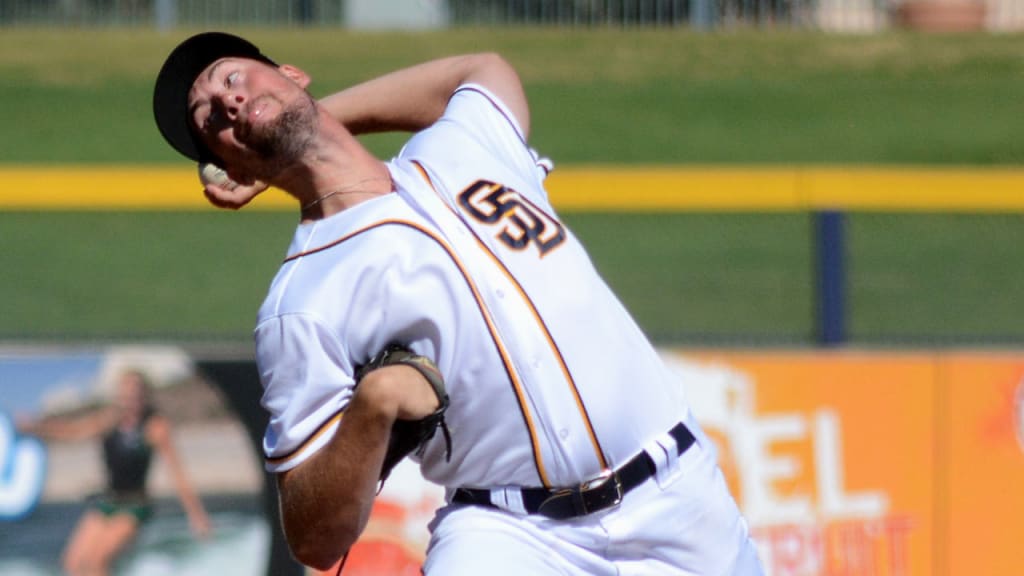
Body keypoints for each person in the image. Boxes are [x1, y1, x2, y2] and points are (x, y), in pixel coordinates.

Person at [152, 31, 763, 575]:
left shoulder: (463, 145)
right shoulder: (300, 303)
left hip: (680, 499)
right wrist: (370, 409)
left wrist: (305, 117)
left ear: (292, 73)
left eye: (232, 77)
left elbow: (481, 69)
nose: (228, 101)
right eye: (210, 119)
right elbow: (314, 538)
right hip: (512, 534)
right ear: (227, 163)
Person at [19, 369, 211, 576]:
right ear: (119, 396)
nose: (131, 399)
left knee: (97, 562)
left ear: (145, 395)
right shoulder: (109, 420)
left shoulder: (154, 426)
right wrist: (37, 427)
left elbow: (177, 473)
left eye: (136, 393)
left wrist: (196, 515)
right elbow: (74, 431)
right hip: (108, 502)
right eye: (126, 393)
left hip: (134, 507)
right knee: (72, 562)